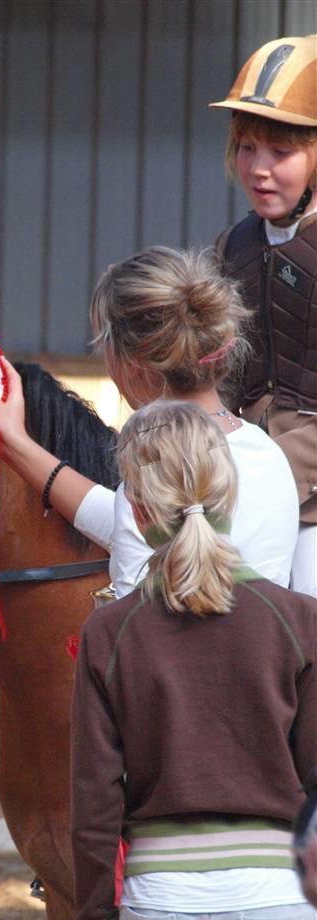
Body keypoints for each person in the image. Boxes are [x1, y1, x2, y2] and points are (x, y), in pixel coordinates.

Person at [70, 400, 317, 920]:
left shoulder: (109, 632)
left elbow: (94, 805)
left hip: (160, 911)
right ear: (230, 493)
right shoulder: (300, 621)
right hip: (277, 902)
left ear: (134, 508)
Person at [0, 246, 299, 597]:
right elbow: (128, 523)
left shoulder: (154, 467)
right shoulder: (266, 453)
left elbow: (136, 630)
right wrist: (16, 443)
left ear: (131, 362)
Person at [210, 34, 317, 596]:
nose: (259, 169)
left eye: (281, 152)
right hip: (240, 482)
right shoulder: (233, 247)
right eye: (248, 148)